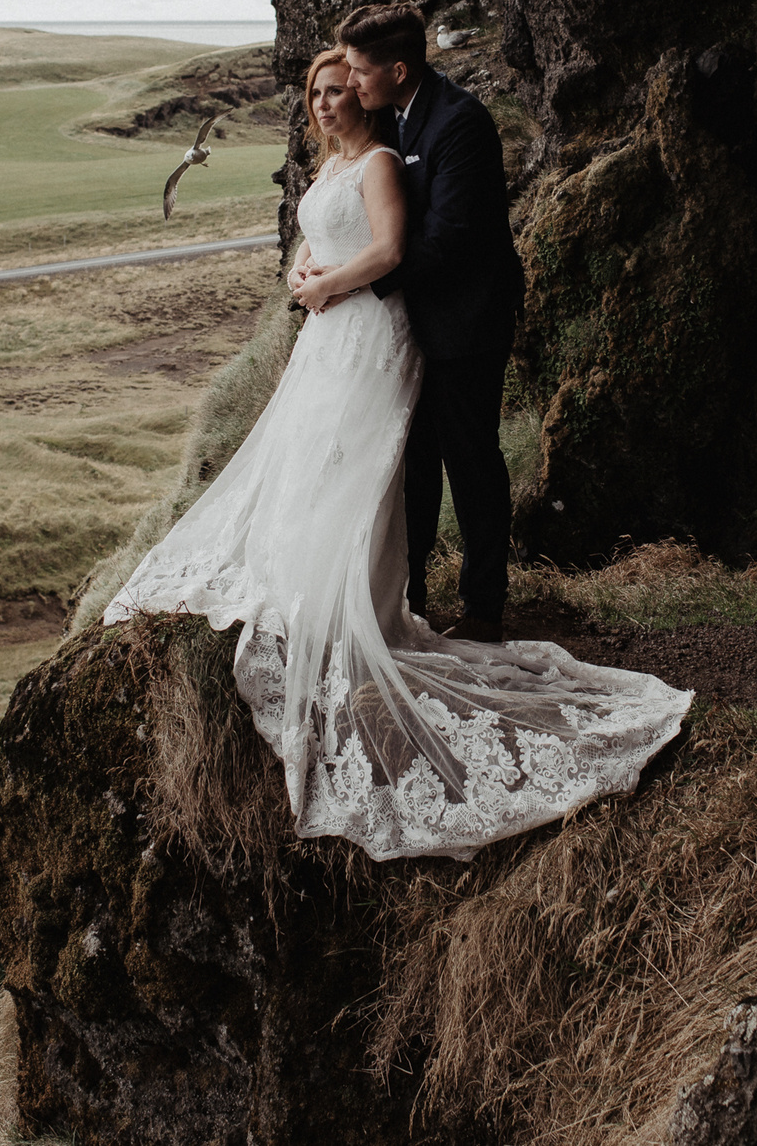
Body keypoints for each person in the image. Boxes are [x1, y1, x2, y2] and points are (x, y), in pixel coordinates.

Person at [104, 44, 690, 861]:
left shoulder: (385, 159)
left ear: (372, 95)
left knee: (362, 465)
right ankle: (326, 585)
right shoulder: (332, 164)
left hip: (370, 331)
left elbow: (386, 250)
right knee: (315, 463)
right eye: (317, 90)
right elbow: (317, 248)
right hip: (327, 333)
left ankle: (386, 607)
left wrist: (328, 284)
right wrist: (303, 277)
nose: (328, 102)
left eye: (342, 90)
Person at [329, 3, 525, 642]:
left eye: (360, 71)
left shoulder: (459, 124)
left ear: (400, 69)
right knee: (409, 467)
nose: (352, 83)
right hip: (411, 330)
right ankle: (405, 601)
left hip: (466, 324)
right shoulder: (395, 115)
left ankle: (483, 608)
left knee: (470, 461)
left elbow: (447, 241)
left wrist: (357, 283)